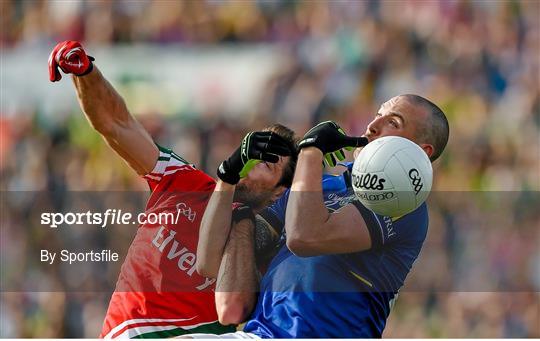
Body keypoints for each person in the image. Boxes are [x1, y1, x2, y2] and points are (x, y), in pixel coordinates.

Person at [48, 41, 298, 338]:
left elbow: (234, 308)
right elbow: (117, 124)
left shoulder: (266, 247)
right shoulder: (182, 179)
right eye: (254, 151)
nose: (254, 163)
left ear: (278, 193)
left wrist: (241, 218)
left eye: (269, 164)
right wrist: (87, 72)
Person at [196, 94, 449, 338]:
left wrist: (311, 150)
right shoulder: (323, 186)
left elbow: (303, 238)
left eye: (393, 123)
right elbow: (210, 263)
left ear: (419, 151)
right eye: (377, 115)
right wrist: (227, 178)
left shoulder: (404, 201)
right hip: (262, 333)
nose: (372, 126)